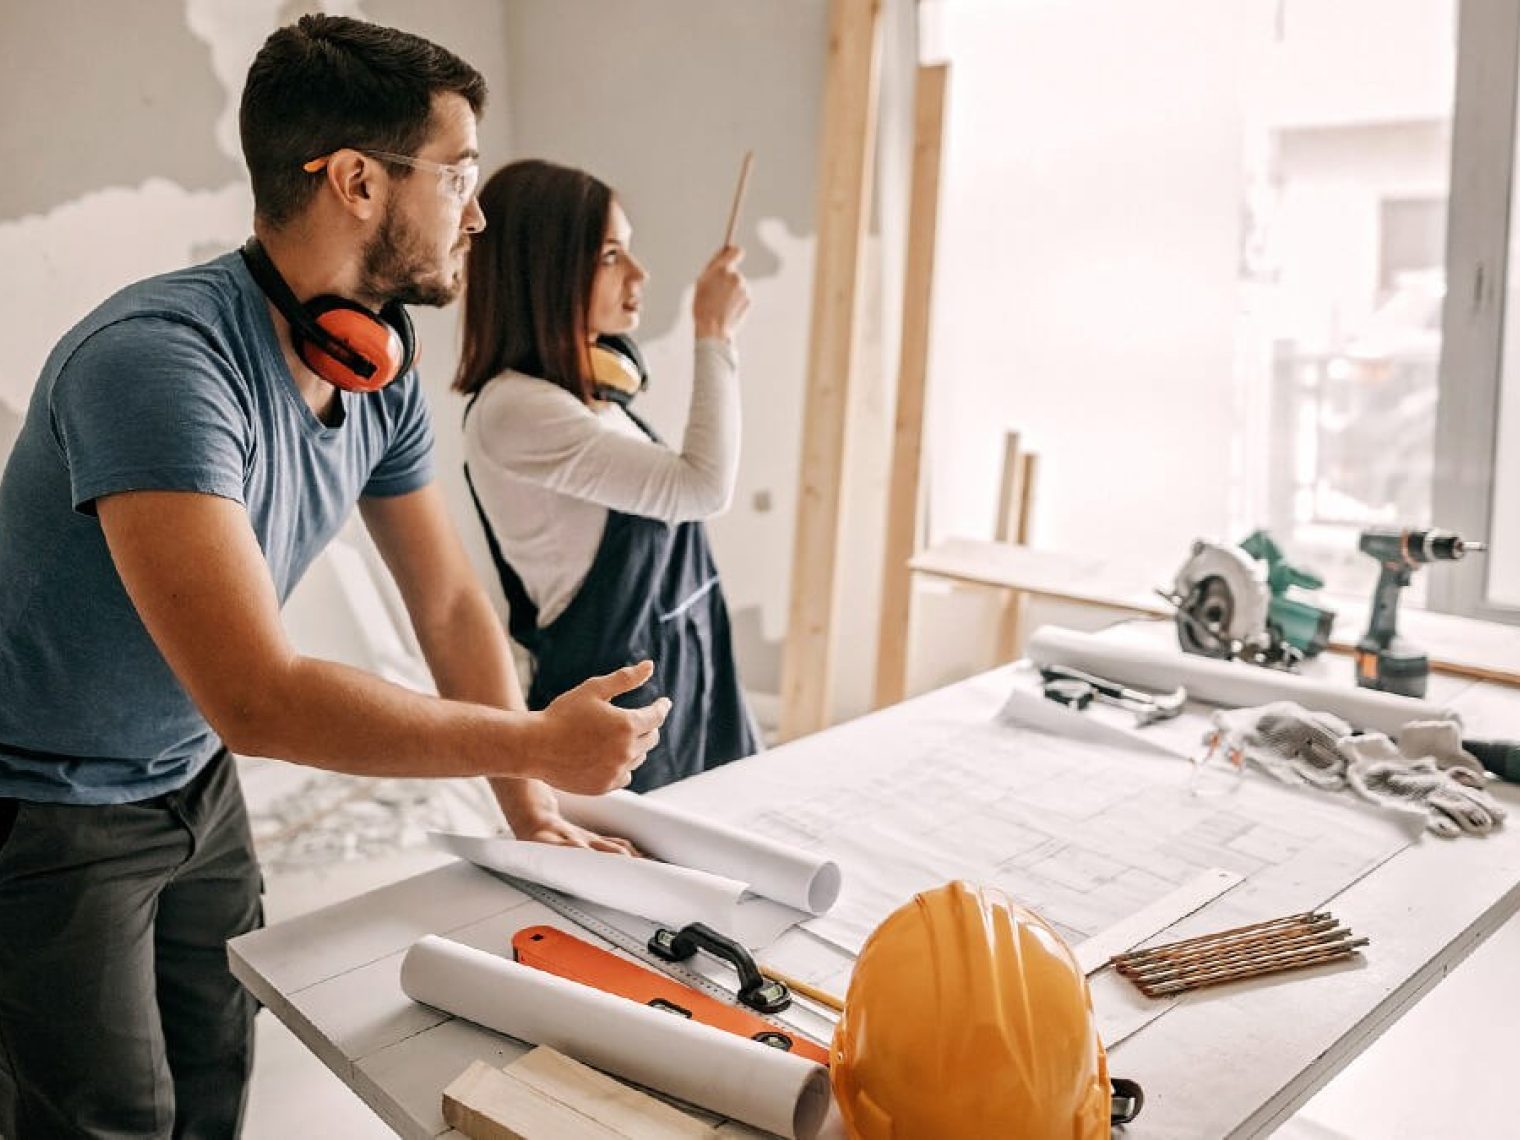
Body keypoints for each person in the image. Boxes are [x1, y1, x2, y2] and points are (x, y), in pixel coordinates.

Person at [0, 16, 668, 1138]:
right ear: (357, 182)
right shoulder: (160, 368)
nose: (479, 210)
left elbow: (448, 600)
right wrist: (530, 741)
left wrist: (530, 805)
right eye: (459, 174)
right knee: (104, 1118)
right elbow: (258, 698)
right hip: (47, 803)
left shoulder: (375, 366)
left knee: (214, 1070)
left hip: (190, 781)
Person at [455, 159, 760, 794]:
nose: (640, 275)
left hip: (691, 665)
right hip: (617, 699)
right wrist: (713, 334)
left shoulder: (592, 397)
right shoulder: (516, 411)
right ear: (548, 269)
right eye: (611, 255)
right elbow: (702, 487)